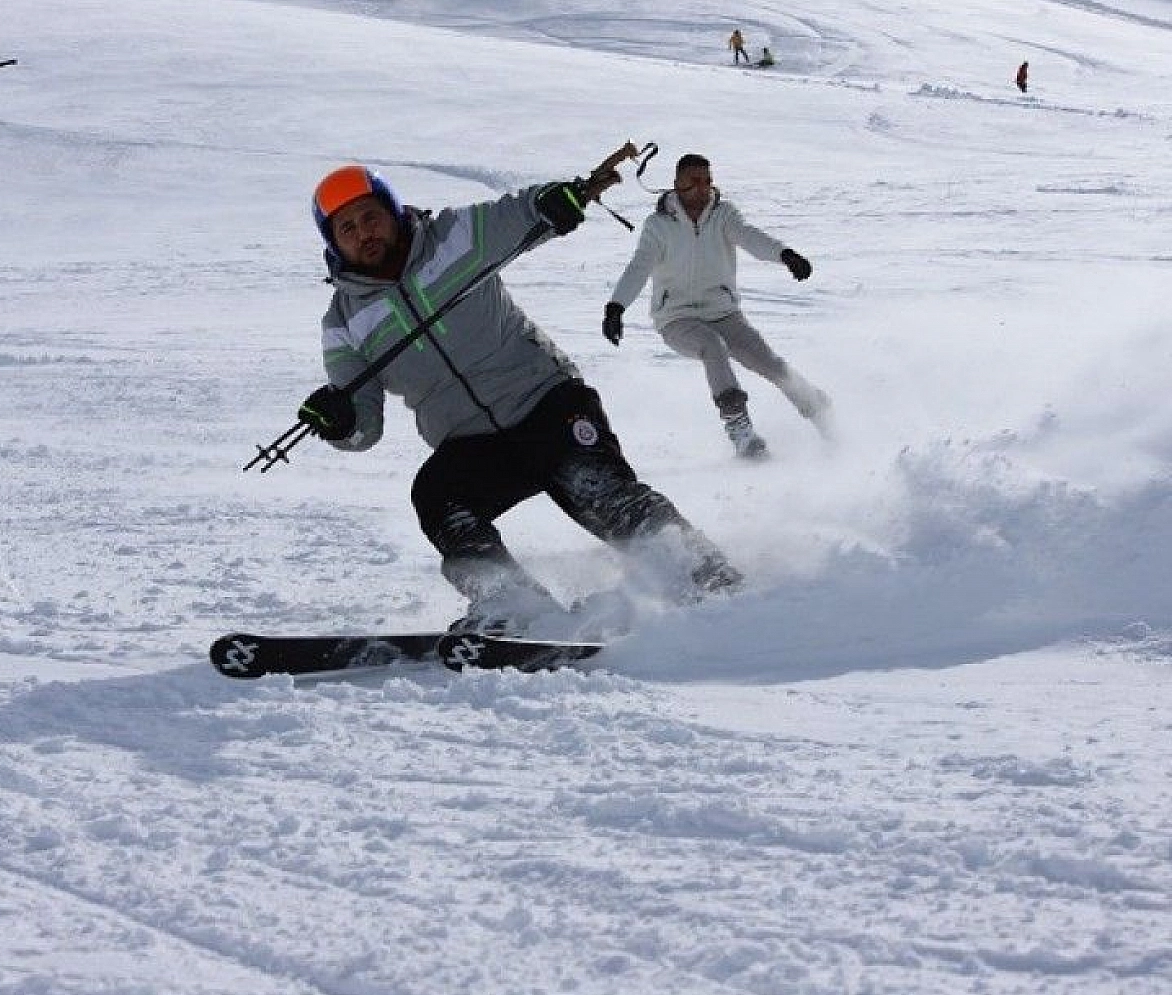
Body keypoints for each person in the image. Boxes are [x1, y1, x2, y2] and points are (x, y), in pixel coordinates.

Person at [297, 164, 744, 635]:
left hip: (545, 401)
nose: (363, 233)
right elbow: (364, 428)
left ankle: (706, 576)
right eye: (346, 229)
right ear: (333, 244)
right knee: (436, 496)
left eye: (370, 217)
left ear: (390, 212)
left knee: (600, 493)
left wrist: (553, 203)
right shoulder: (342, 324)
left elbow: (521, 215)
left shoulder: (452, 237)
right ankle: (512, 602)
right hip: (472, 445)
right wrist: (341, 423)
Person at [601, 154, 831, 459]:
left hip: (725, 313)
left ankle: (820, 411)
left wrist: (785, 254)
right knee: (713, 346)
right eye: (693, 181)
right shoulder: (658, 226)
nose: (702, 188)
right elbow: (639, 266)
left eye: (707, 181)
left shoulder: (723, 215)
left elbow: (750, 237)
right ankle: (740, 430)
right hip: (677, 319)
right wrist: (616, 307)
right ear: (676, 184)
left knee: (769, 363)